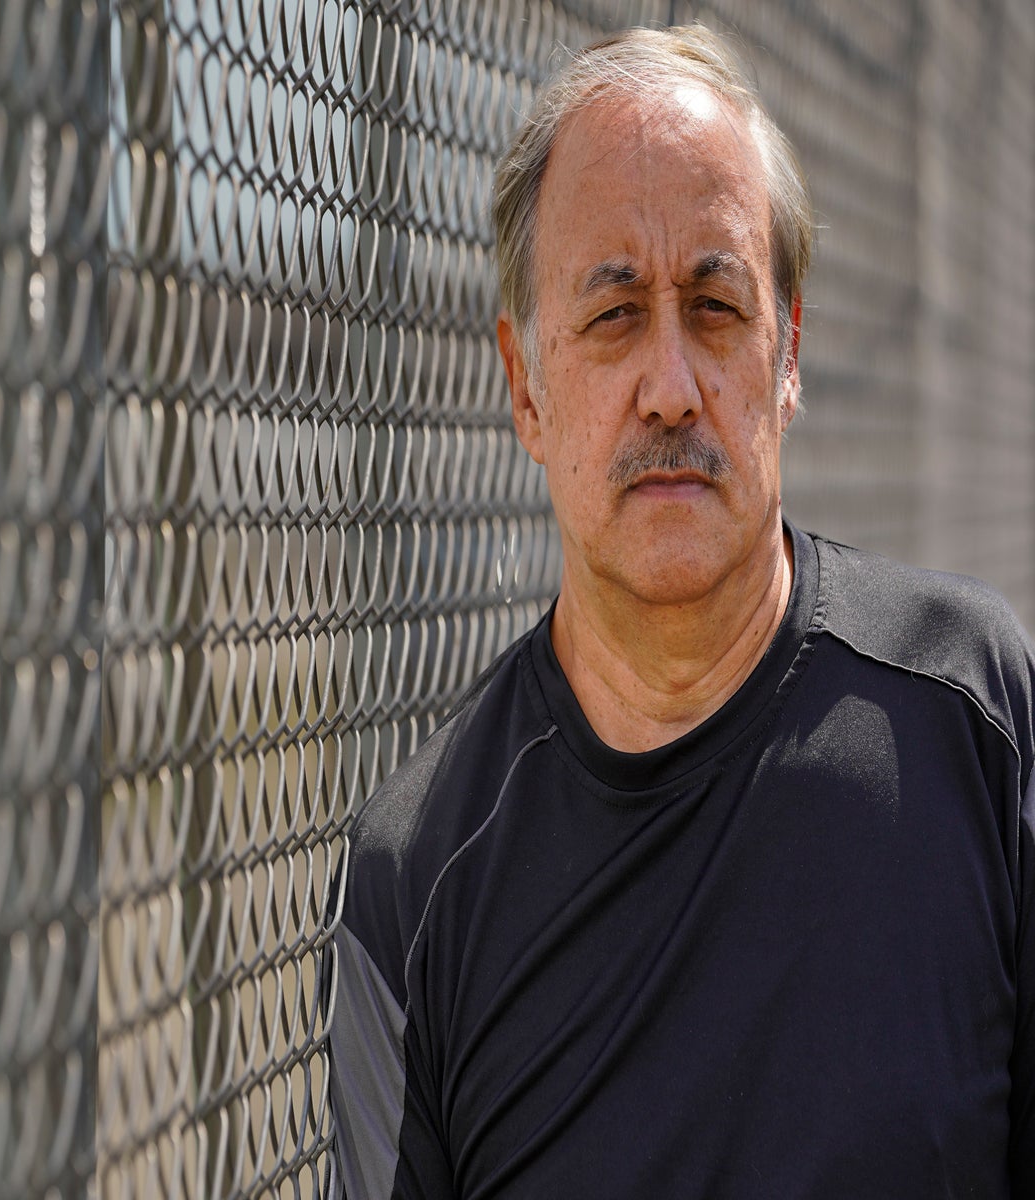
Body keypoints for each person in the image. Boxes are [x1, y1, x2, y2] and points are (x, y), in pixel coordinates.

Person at [325, 24, 1035, 1199]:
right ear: (526, 387)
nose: (670, 388)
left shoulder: (969, 714)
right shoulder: (421, 880)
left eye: (714, 306)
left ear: (787, 353)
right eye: (613, 316)